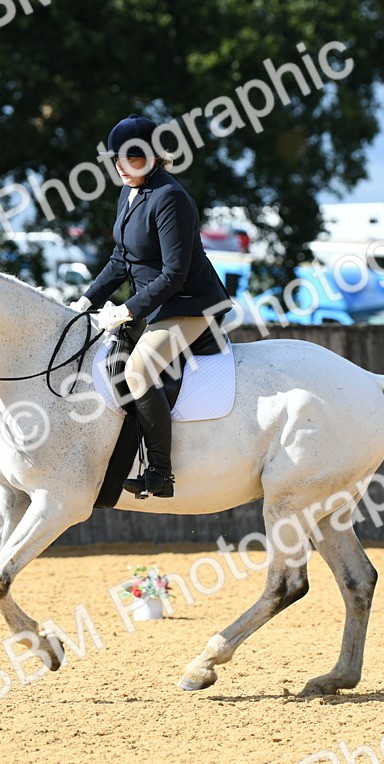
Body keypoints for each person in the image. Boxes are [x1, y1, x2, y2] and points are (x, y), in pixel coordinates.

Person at [72, 114, 232, 499]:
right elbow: (120, 260)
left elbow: (175, 274)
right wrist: (85, 300)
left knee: (139, 369)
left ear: (155, 157)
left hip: (191, 306)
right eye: (118, 160)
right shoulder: (129, 194)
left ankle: (160, 472)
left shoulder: (170, 197)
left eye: (134, 158)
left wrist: (126, 310)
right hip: (155, 306)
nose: (124, 167)